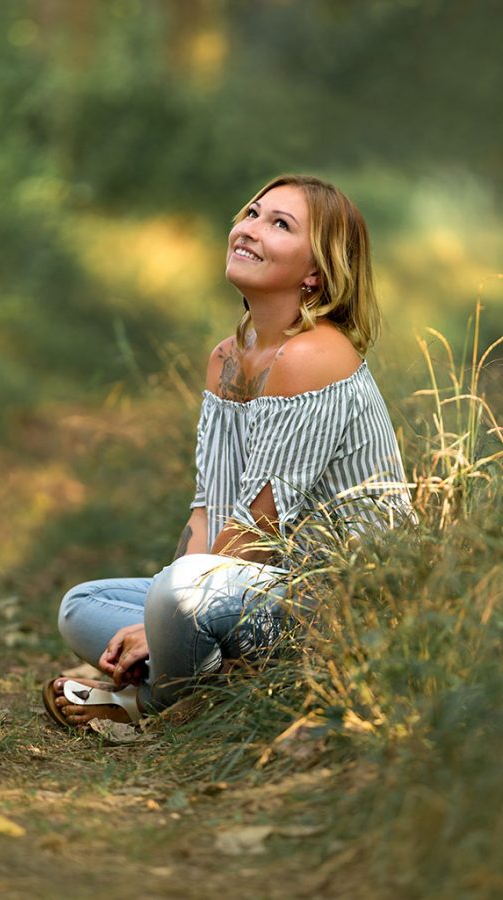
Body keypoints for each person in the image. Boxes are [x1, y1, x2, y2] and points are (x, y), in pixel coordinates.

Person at [42, 174, 414, 728]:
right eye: (253, 213)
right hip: (255, 591)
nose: (250, 229)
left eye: (280, 224)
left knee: (177, 593)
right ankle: (219, 682)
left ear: (315, 272)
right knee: (82, 606)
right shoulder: (228, 358)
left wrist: (170, 611)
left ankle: (158, 704)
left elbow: (258, 529)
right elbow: (208, 507)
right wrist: (166, 621)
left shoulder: (315, 356)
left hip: (337, 610)